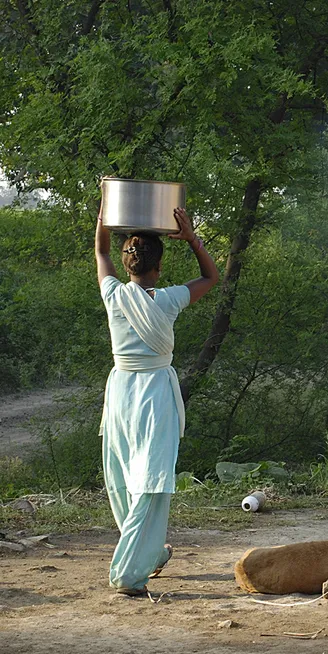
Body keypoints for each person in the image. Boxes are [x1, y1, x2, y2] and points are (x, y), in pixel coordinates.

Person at [95, 201, 218, 596]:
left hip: (121, 395)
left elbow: (100, 252)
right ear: (158, 268)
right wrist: (192, 237)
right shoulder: (168, 299)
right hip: (153, 396)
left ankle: (150, 552)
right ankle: (130, 573)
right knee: (150, 481)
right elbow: (211, 276)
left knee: (125, 477)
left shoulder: (114, 295)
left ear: (127, 263)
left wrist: (105, 212)